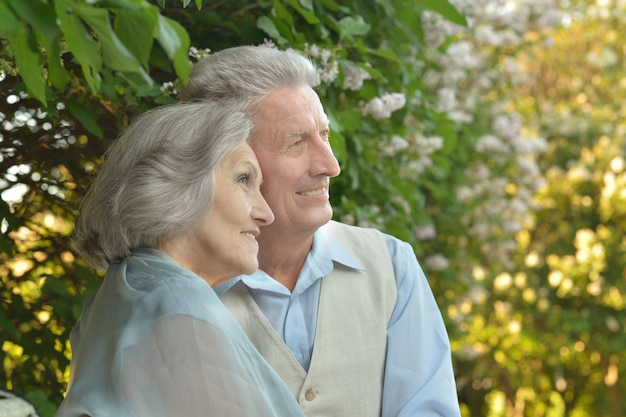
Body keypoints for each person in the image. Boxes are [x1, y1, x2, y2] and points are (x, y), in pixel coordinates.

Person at [180, 45, 462, 417]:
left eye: (324, 135)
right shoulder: (175, 284)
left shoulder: (391, 266)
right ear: (230, 160)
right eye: (296, 142)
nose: (331, 166)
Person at [55, 101, 306, 417]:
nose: (265, 213)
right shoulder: (179, 311)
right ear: (178, 183)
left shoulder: (128, 293)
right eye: (244, 179)